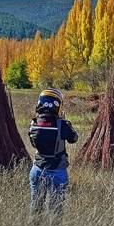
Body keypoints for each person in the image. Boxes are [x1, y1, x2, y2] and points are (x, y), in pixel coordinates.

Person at [28, 88, 78, 218]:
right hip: (57, 171)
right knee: (56, 208)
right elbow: (74, 139)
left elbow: (33, 143)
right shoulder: (62, 124)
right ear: (58, 105)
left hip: (37, 169)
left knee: (36, 206)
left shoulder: (33, 123)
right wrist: (66, 122)